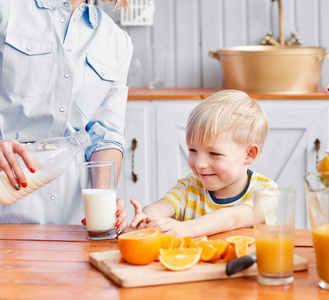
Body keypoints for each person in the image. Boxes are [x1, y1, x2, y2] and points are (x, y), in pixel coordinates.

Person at [0, 0, 133, 234]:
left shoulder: (116, 41)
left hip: (73, 226)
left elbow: (106, 136)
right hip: (6, 216)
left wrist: (103, 202)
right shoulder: (8, 10)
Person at [129, 89, 278, 237]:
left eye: (214, 153)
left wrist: (188, 229)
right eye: (193, 150)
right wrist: (148, 220)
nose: (200, 163)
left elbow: (234, 218)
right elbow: (158, 208)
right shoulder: (188, 187)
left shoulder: (266, 192)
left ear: (249, 154)